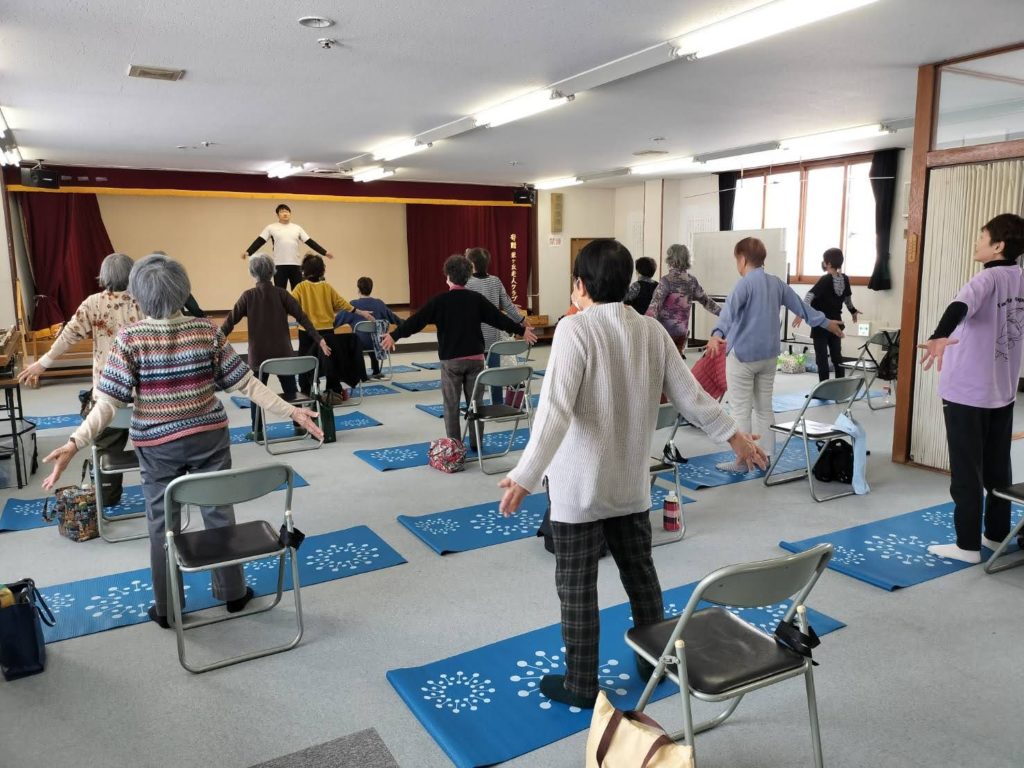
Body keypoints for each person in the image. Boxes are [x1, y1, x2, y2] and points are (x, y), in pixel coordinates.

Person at [497, 239, 765, 709]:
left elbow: (554, 411)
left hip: (579, 489)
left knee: (577, 588)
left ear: (581, 284)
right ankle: (653, 661)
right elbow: (691, 396)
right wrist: (735, 436)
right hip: (631, 486)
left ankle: (582, 684)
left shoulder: (574, 329)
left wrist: (525, 474)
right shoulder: (651, 330)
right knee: (641, 579)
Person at [40, 253, 323, 628]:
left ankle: (168, 607)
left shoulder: (130, 339)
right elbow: (247, 383)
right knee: (219, 512)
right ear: (183, 290)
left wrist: (75, 442)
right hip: (210, 439)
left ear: (139, 296)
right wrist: (292, 411)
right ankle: (233, 593)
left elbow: (107, 404)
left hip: (157, 447)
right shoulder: (207, 331)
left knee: (162, 526)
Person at [918, 213, 1024, 564]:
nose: (977, 242)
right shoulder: (1019, 277)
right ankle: (996, 535)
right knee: (997, 468)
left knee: (966, 471)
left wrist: (938, 335)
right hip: (1002, 390)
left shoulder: (986, 278)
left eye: (982, 237)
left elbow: (959, 306)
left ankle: (966, 546)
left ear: (998, 246)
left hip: (966, 391)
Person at [707, 237, 843, 471]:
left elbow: (728, 313)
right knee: (764, 408)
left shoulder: (744, 284)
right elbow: (802, 307)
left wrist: (716, 334)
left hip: (743, 357)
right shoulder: (777, 284)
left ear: (742, 259)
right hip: (769, 357)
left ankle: (744, 461)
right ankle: (766, 456)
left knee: (740, 410)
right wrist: (825, 322)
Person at [18, 253, 142, 506]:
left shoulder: (93, 303)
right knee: (153, 446)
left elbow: (67, 336)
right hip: (144, 393)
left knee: (106, 447)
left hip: (108, 394)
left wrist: (43, 363)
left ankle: (107, 497)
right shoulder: (144, 303)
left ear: (103, 276)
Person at [381, 254, 537, 449]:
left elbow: (416, 321)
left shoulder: (439, 301)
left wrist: (394, 335)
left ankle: (455, 447)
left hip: (451, 362)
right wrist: (522, 330)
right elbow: (499, 318)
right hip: (476, 361)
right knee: (476, 404)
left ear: (448, 277)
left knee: (451, 406)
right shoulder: (476, 299)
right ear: (468, 277)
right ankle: (477, 445)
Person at [221, 254, 332, 440]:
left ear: (252, 272)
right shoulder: (282, 294)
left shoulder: (248, 296)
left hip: (258, 358)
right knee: (291, 389)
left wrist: (212, 342)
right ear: (273, 271)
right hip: (284, 355)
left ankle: (257, 431)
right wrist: (319, 338)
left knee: (257, 394)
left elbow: (229, 323)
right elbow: (303, 317)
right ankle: (299, 425)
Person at [291, 254, 374, 404]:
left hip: (307, 333)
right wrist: (362, 313)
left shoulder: (300, 287)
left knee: (305, 362)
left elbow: (290, 305)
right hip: (327, 332)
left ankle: (306, 392)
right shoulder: (327, 287)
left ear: (304, 270)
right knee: (330, 362)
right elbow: (342, 304)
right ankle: (334, 391)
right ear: (322, 271)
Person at [465, 247, 525, 406]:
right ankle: (497, 405)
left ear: (472, 264)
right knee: (494, 373)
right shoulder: (495, 281)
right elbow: (508, 305)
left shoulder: (467, 283)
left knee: (474, 376)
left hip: (474, 339)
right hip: (494, 337)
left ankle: (475, 406)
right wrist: (522, 320)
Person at [793, 248, 860, 381]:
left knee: (821, 358)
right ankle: (840, 385)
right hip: (836, 323)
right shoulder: (845, 279)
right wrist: (853, 311)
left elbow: (810, 295)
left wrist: (801, 312)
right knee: (837, 357)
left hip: (821, 323)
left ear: (828, 263)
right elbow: (847, 299)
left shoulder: (825, 279)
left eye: (824, 261)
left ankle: (823, 387)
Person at [645, 243, 721, 355]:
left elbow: (654, 306)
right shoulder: (692, 281)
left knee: (662, 362)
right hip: (682, 333)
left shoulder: (666, 280)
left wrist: (644, 325)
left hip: (665, 332)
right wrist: (725, 313)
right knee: (677, 362)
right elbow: (706, 301)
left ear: (670, 259)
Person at [241, 204, 334, 289]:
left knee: (298, 292)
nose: (285, 213)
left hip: (295, 264)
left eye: (287, 211)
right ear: (278, 215)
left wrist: (325, 252)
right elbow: (260, 241)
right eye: (282, 212)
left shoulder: (297, 228)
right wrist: (248, 252)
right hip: (279, 265)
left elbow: (310, 242)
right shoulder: (271, 227)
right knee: (280, 292)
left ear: (290, 214)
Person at [349, 276, 401, 379]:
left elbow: (336, 322)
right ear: (371, 289)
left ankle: (360, 373)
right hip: (378, 343)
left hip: (360, 344)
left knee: (354, 340)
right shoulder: (379, 304)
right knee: (372, 336)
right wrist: (410, 323)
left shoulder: (353, 305)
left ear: (358, 289)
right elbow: (394, 319)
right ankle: (376, 371)